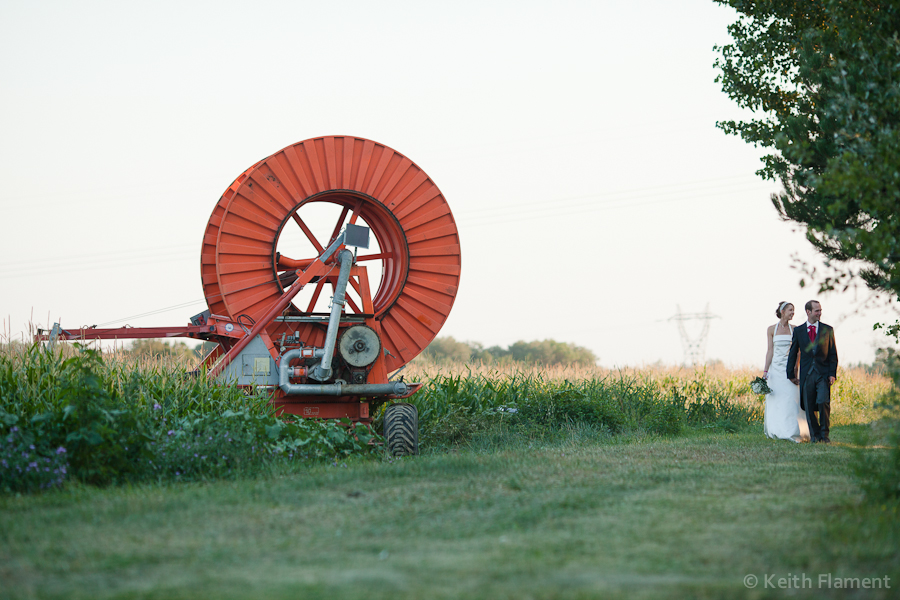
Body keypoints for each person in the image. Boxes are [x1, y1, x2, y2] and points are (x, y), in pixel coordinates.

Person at [787, 300, 838, 443]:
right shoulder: (799, 331)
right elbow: (793, 353)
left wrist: (832, 374)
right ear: (808, 312)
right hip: (807, 374)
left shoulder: (828, 330)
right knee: (809, 407)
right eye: (817, 310)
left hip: (823, 373)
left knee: (823, 402)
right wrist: (790, 374)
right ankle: (815, 436)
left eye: (820, 310)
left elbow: (833, 354)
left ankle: (824, 435)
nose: (819, 313)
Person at [762, 301, 809, 442]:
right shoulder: (771, 329)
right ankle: (776, 430)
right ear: (782, 312)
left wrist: (795, 368)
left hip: (790, 369)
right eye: (790, 310)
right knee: (777, 400)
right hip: (775, 370)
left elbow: (799, 351)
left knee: (791, 399)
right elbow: (770, 351)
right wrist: (765, 370)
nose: (793, 313)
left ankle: (794, 431)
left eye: (793, 310)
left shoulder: (795, 329)